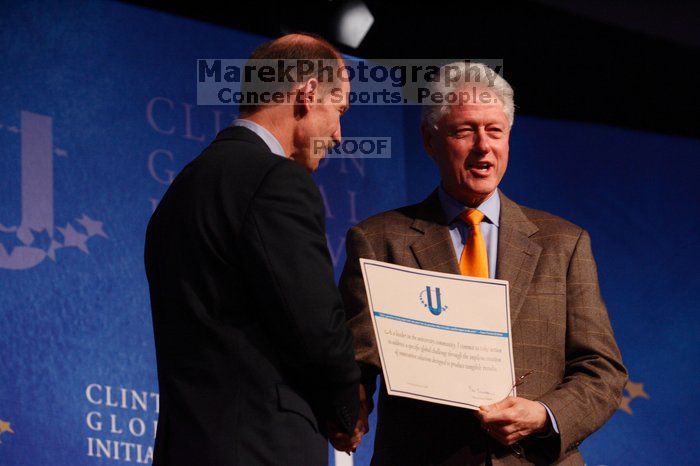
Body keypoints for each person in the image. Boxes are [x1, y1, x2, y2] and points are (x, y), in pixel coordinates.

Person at [337, 62, 627, 465]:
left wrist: (545, 415)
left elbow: (602, 370)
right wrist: (349, 406)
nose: (483, 146)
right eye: (463, 131)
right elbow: (356, 360)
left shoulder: (564, 243)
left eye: (495, 130)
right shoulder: (381, 239)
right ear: (429, 140)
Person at [144, 33, 361, 466]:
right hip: (260, 446)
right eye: (338, 111)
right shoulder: (275, 180)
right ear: (309, 92)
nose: (338, 135)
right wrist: (347, 408)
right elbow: (316, 327)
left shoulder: (179, 193)